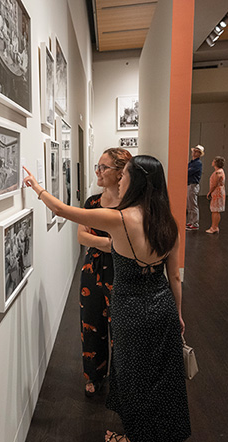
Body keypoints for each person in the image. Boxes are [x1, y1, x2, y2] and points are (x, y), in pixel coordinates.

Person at [23, 155, 191, 442]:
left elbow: (62, 211)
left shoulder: (120, 219)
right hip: (163, 307)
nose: (120, 179)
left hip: (131, 310)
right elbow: (176, 276)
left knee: (131, 377)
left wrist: (37, 187)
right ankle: (151, 439)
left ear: (135, 181)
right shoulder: (169, 222)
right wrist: (178, 315)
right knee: (158, 376)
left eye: (124, 174)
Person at [78, 148, 131, 397]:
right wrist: (111, 245)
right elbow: (81, 235)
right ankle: (94, 375)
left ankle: (122, 382)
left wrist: (97, 241)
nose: (98, 171)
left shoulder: (132, 205)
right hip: (93, 270)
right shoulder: (92, 202)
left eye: (103, 167)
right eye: (97, 166)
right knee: (91, 324)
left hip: (122, 274)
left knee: (120, 331)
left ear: (121, 173)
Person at [206, 156, 226, 234]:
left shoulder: (218, 172)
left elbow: (214, 184)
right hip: (218, 191)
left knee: (215, 210)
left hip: (217, 192)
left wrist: (210, 192)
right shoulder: (220, 171)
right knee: (216, 210)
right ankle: (214, 226)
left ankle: (214, 227)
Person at [186, 145, 204, 231]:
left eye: (196, 151)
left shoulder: (197, 163)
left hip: (193, 184)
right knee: (190, 204)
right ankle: (191, 221)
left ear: (200, 154)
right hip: (189, 184)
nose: (194, 152)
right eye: (194, 151)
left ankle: (195, 223)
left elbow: (188, 172)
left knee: (193, 204)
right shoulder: (192, 162)